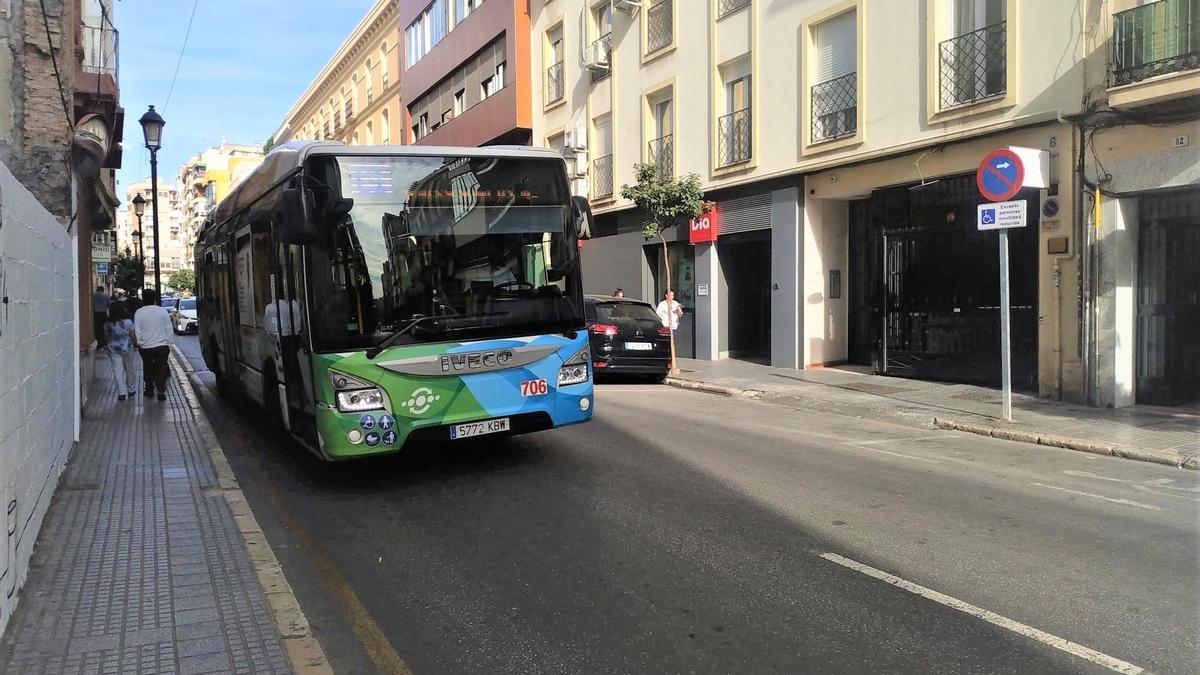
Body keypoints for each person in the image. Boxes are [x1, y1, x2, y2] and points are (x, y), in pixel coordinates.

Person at [133, 288, 174, 401]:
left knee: (147, 366)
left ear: (143, 299)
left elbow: (137, 330)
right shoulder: (162, 311)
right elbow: (169, 328)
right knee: (161, 367)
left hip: (146, 346)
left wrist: (139, 343)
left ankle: (149, 388)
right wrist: (169, 342)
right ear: (155, 299)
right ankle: (161, 390)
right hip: (162, 346)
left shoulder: (139, 312)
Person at [105, 302, 138, 401]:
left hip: (113, 349)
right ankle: (131, 389)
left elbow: (106, 337)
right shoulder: (128, 322)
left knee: (117, 370)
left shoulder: (108, 323)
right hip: (127, 348)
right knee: (129, 368)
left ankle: (122, 393)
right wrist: (136, 344)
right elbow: (133, 335)